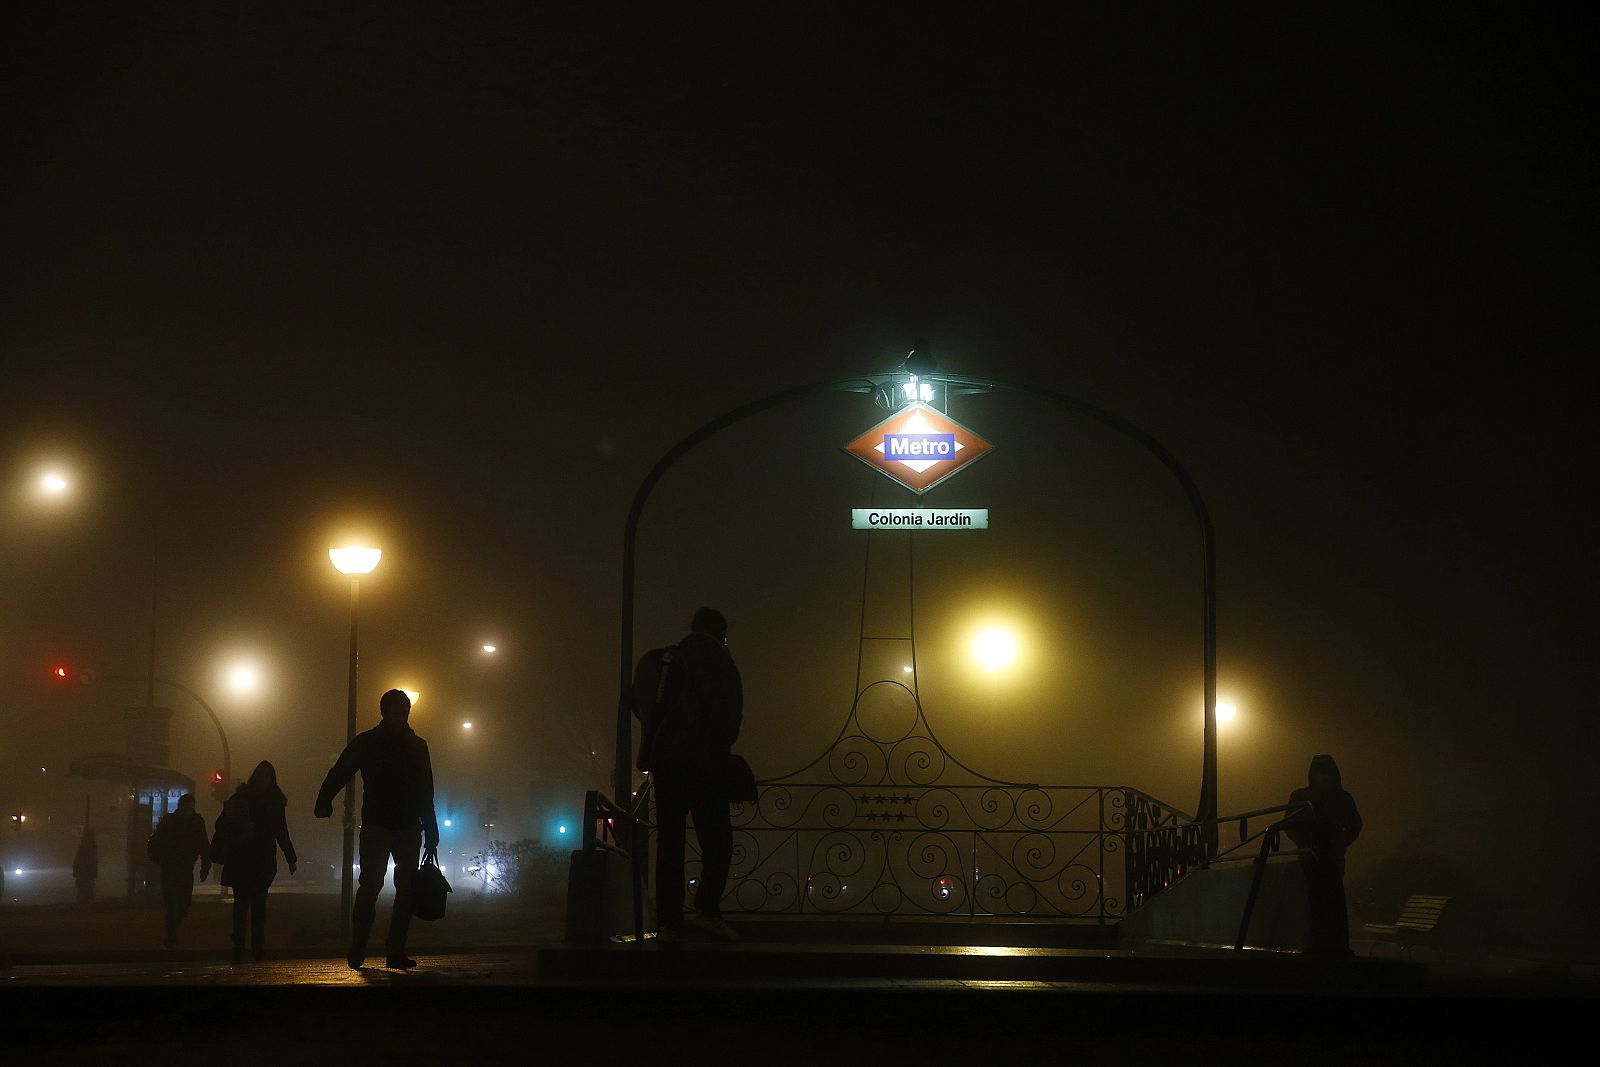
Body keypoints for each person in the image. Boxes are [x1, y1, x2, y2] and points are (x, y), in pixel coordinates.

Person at [315, 689, 440, 970]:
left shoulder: (413, 746)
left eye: (402, 711)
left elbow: (425, 792)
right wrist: (324, 800)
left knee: (401, 890)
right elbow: (341, 771)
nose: (398, 715)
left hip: (405, 826)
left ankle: (393, 950)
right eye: (394, 710)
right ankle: (361, 945)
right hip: (380, 825)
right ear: (384, 712)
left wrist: (431, 831)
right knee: (371, 886)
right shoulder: (373, 743)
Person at [651, 606, 742, 942]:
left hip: (667, 766)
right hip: (707, 764)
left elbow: (647, 705)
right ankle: (707, 910)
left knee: (670, 844)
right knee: (717, 841)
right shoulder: (721, 662)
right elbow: (730, 720)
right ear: (721, 633)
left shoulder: (670, 659)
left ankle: (669, 923)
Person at [217, 761, 297, 962]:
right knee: (245, 905)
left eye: (266, 775)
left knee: (254, 905)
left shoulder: (266, 801)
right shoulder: (254, 799)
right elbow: (222, 822)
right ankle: (244, 946)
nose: (263, 779)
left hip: (258, 860)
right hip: (246, 858)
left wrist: (290, 856)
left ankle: (251, 946)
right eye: (261, 775)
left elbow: (282, 831)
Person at [1285, 753, 1363, 957]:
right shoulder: (1305, 797)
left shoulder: (1340, 798)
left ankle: (1330, 944)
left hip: (1331, 856)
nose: (1324, 778)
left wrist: (1339, 843)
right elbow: (1290, 826)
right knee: (1314, 900)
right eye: (1321, 773)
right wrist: (1305, 844)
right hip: (1311, 856)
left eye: (1327, 773)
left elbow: (1355, 825)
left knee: (1330, 899)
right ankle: (1318, 942)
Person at [148, 794, 211, 947]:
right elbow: (203, 845)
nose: (187, 810)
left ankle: (171, 931)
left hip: (181, 867)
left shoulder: (193, 822)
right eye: (186, 806)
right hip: (171, 867)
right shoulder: (178, 821)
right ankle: (171, 933)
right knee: (174, 903)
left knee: (183, 903)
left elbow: (203, 845)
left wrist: (205, 866)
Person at [72, 827, 99, 903]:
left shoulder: (85, 846)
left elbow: (78, 860)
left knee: (83, 890)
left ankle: (84, 904)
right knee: (87, 890)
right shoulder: (92, 846)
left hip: (83, 872)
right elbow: (93, 861)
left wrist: (76, 871)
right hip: (86, 872)